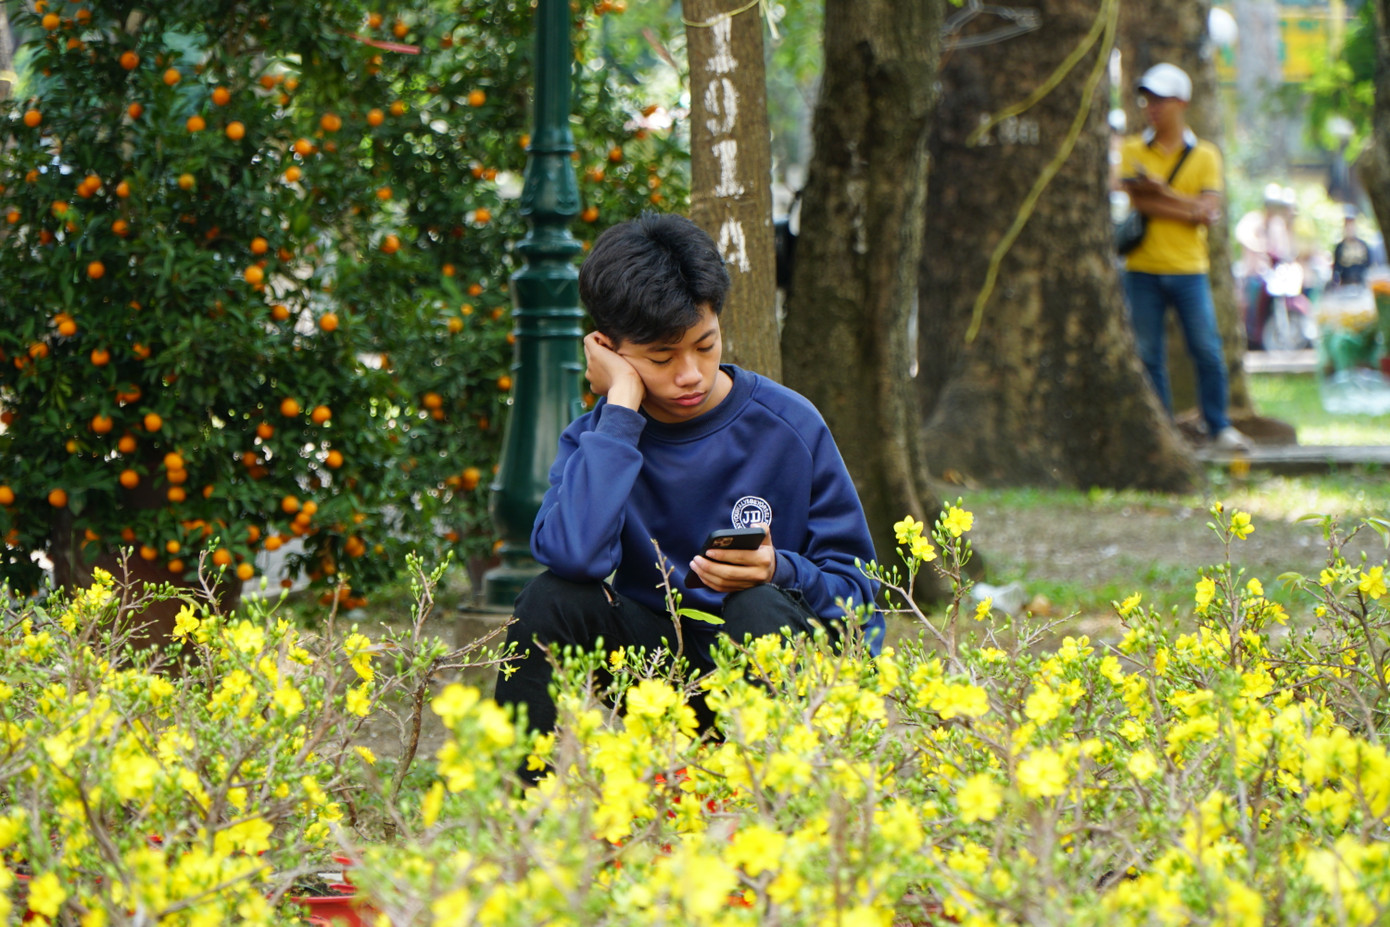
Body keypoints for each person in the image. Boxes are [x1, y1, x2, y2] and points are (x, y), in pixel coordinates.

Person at [493, 213, 882, 739]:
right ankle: (519, 803)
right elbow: (576, 559)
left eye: (705, 345)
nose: (690, 375)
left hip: (777, 678)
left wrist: (779, 571)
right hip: (659, 680)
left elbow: (859, 595)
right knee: (550, 599)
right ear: (608, 350)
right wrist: (622, 409)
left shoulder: (789, 426)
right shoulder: (600, 438)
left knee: (756, 604)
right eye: (659, 358)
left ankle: (773, 800)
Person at [1118, 63, 1252, 452]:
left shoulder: (1206, 155)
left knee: (1207, 349)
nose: (1152, 107)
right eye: (1148, 100)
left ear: (1182, 102)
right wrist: (1189, 207)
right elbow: (1141, 200)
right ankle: (1163, 431)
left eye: (1161, 99)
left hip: (1190, 269)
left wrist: (1163, 192)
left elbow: (1210, 210)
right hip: (1142, 269)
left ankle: (1219, 425)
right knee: (1147, 354)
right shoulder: (1132, 149)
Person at [1331, 209, 1372, 288]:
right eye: (1348, 226)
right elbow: (1336, 268)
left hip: (1362, 284)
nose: (1350, 229)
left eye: (1352, 226)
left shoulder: (1363, 246)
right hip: (1345, 285)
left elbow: (1369, 266)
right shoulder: (1340, 247)